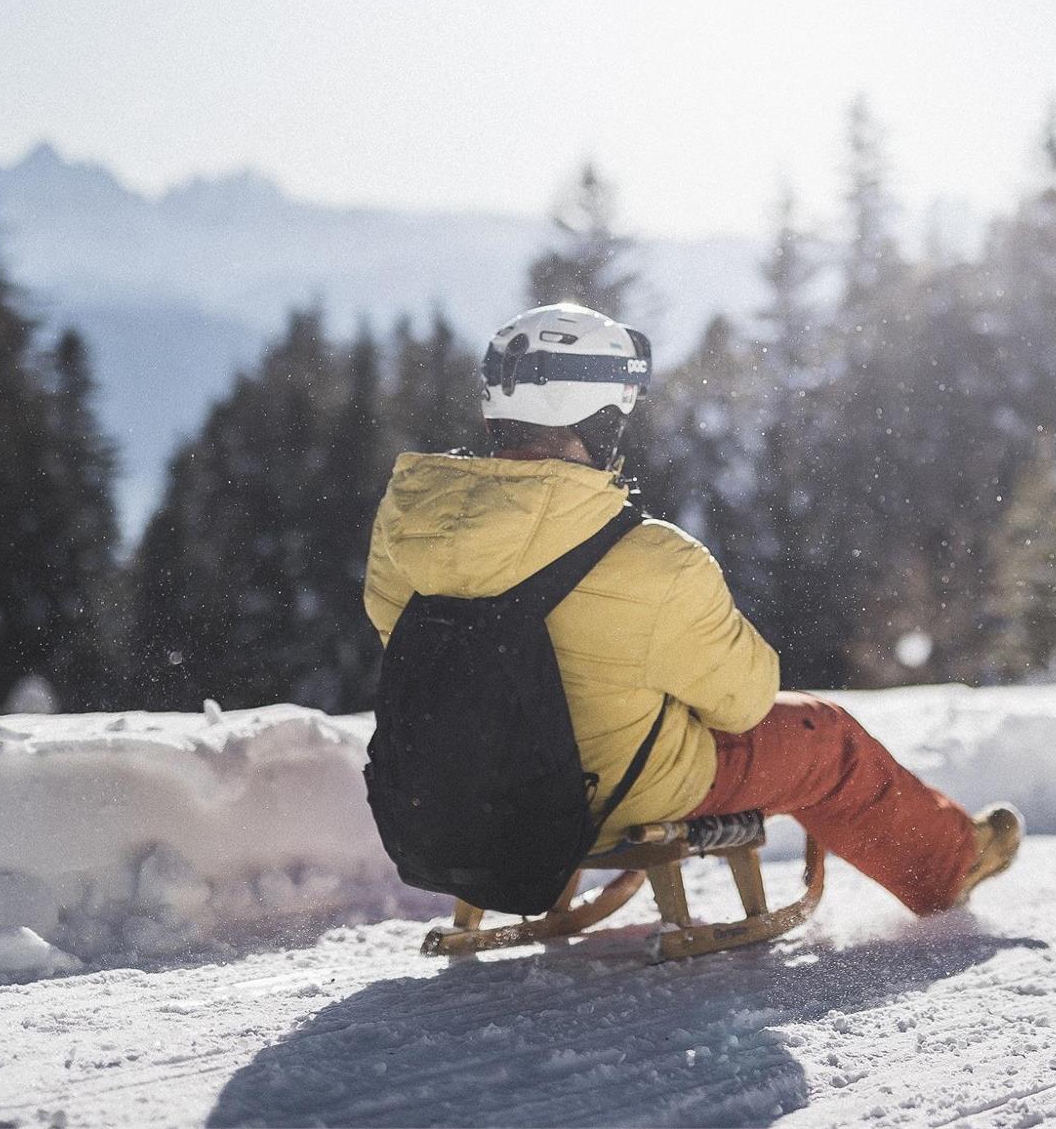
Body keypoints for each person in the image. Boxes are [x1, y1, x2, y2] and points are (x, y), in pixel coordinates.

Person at [363, 302, 1021, 918]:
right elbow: (745, 700)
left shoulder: (407, 527)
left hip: (463, 788)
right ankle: (951, 862)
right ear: (598, 419)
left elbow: (422, 647)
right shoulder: (652, 558)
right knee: (828, 737)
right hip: (614, 794)